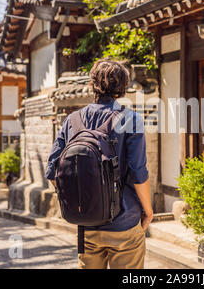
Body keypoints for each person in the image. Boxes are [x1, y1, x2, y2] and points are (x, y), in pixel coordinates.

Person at [45, 59, 153, 269]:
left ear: (92, 84)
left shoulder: (72, 121)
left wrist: (82, 201)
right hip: (125, 222)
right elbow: (138, 172)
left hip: (87, 224)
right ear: (123, 87)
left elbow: (52, 172)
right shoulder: (130, 119)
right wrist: (148, 211)